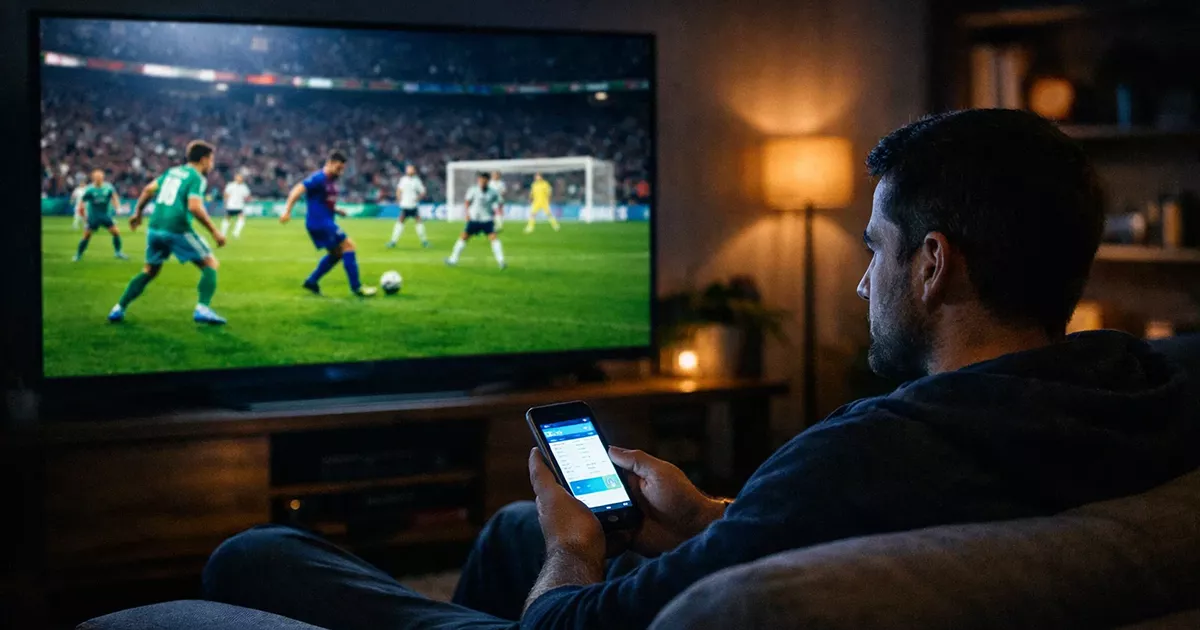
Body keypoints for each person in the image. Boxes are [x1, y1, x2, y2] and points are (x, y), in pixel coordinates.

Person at [201, 110, 1200, 629]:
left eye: (872, 251)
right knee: (512, 527)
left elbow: (578, 623)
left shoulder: (869, 448)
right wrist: (714, 515)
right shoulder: (1140, 396)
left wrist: (576, 549)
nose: (861, 287)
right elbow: (878, 525)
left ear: (933, 265)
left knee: (256, 555)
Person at [108, 141, 227, 325]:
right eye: (211, 160)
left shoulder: (172, 172)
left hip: (155, 227)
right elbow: (195, 207)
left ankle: (118, 308)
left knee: (149, 271)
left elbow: (148, 189)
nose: (212, 164)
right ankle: (203, 308)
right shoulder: (196, 177)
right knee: (210, 264)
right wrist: (215, 232)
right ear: (204, 159)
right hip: (176, 228)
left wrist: (137, 213)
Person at [281, 150, 377, 297]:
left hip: (323, 221)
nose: (341, 171)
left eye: (343, 169)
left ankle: (311, 281)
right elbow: (297, 190)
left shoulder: (330, 180)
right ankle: (357, 288)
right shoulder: (318, 177)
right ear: (330, 163)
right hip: (320, 222)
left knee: (336, 254)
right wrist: (287, 211)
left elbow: (322, 201)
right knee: (349, 246)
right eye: (339, 168)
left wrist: (337, 210)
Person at [446, 172, 506, 270]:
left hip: (487, 220)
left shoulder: (493, 192)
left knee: (494, 239)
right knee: (463, 237)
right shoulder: (473, 190)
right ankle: (453, 260)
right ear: (478, 180)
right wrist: (467, 214)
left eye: (484, 180)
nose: (482, 182)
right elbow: (467, 202)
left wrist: (499, 211)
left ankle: (501, 261)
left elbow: (500, 202)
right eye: (481, 180)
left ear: (488, 181)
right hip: (474, 219)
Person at [73, 168, 127, 261]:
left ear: (103, 177)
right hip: (94, 216)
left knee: (116, 232)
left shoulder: (108, 187)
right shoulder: (89, 189)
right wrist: (83, 214)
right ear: (93, 178)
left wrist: (118, 207)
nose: (99, 179)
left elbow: (114, 197)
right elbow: (82, 202)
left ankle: (118, 252)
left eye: (100, 177)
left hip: (105, 215)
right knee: (87, 236)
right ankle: (78, 255)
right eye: (97, 177)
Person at [386, 164, 429, 248]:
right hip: (405, 205)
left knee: (416, 222)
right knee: (403, 222)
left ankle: (424, 241)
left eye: (411, 169)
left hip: (413, 205)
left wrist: (418, 198)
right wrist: (399, 200)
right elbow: (398, 190)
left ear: (414, 171)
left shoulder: (416, 180)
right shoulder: (403, 180)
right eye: (408, 169)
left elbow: (423, 191)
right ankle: (393, 241)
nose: (409, 171)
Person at [220, 173, 252, 240]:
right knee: (227, 218)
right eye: (238, 177)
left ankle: (235, 233)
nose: (239, 179)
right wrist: (225, 202)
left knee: (240, 218)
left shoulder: (244, 187)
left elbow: (247, 196)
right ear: (235, 178)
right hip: (231, 205)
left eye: (240, 177)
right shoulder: (231, 185)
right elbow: (226, 194)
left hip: (239, 205)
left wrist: (248, 199)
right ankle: (224, 233)